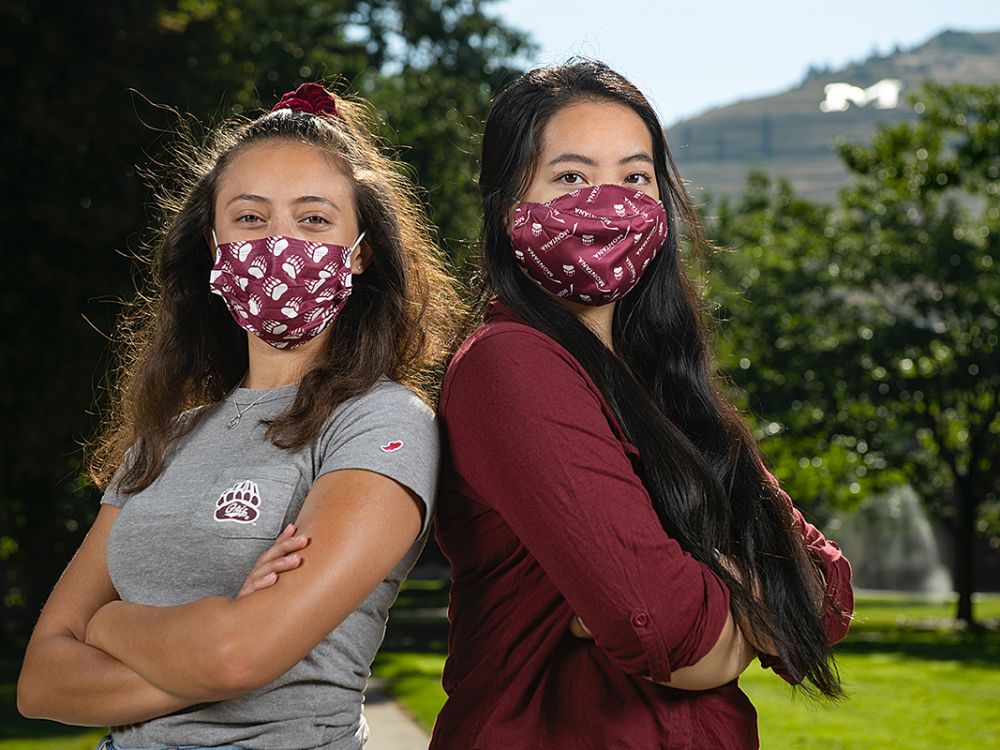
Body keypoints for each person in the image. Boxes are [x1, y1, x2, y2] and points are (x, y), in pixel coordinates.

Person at [17, 82, 460, 750]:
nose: (280, 243)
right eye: (251, 218)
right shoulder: (165, 438)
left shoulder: (382, 425)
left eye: (314, 219)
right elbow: (40, 682)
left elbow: (236, 660)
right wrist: (210, 642)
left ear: (361, 249)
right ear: (213, 240)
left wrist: (107, 624)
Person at [430, 60, 854, 749]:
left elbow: (829, 594)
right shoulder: (511, 364)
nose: (608, 201)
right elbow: (671, 633)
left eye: (634, 177)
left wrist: (658, 586)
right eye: (570, 177)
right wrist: (736, 578)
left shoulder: (666, 380)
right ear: (510, 207)